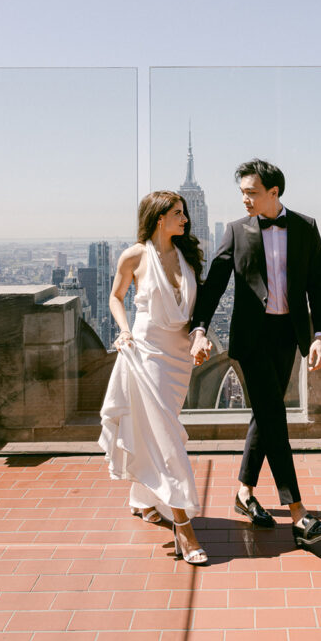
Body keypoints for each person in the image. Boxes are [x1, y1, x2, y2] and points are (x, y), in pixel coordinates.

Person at [190, 159, 321, 549]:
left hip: (287, 335)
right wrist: (200, 328)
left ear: (274, 192)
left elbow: (317, 284)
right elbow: (215, 284)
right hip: (251, 338)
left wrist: (319, 334)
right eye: (242, 192)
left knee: (264, 413)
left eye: (252, 192)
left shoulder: (305, 228)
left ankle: (243, 492)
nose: (245, 199)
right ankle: (299, 514)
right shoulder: (236, 231)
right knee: (274, 416)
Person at [99, 191, 208, 565]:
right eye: (178, 214)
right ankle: (184, 525)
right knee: (167, 438)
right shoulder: (135, 255)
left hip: (179, 357)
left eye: (185, 213)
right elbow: (116, 297)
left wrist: (199, 336)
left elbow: (195, 308)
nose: (185, 219)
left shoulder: (187, 255)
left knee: (161, 428)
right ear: (159, 218)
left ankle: (142, 498)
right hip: (146, 353)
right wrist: (124, 330)